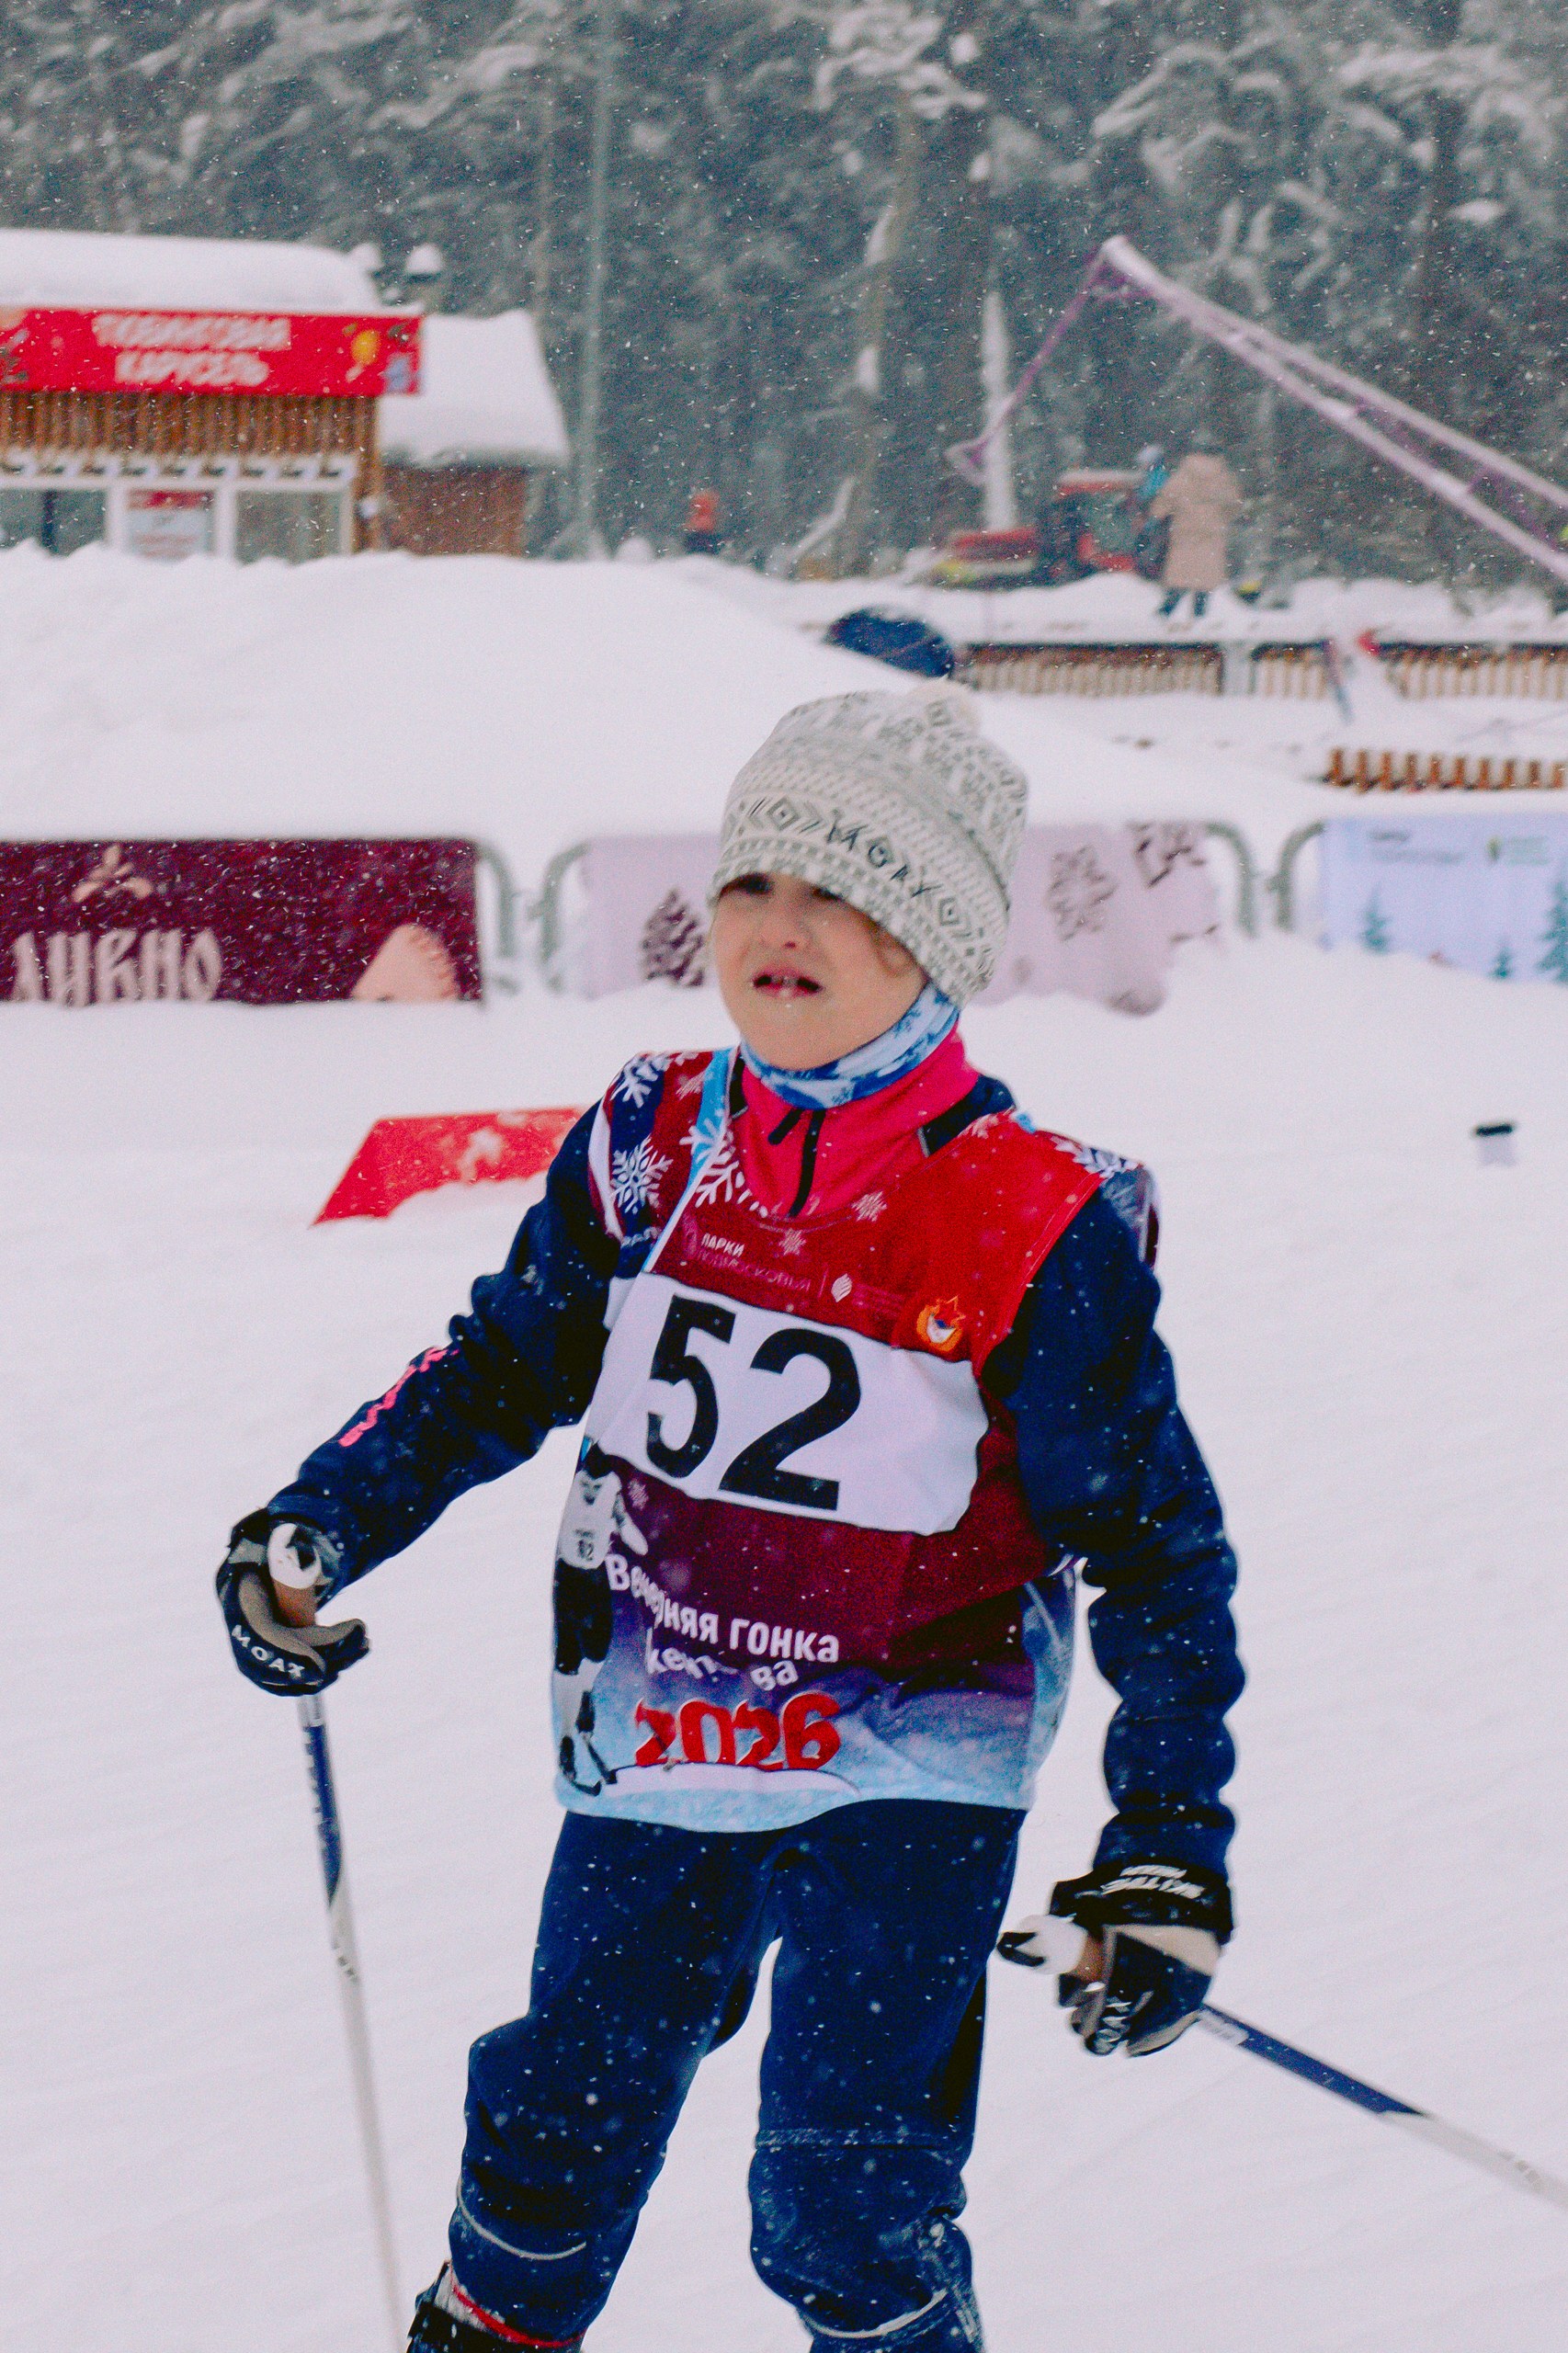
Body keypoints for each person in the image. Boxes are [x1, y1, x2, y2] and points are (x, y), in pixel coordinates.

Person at [217, 688, 1244, 2353]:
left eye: (844, 890)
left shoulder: (1034, 1218)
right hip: (664, 1743)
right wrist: (323, 1519)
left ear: (935, 935)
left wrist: (1165, 1846)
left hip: (910, 1771)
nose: (780, 926)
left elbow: (1155, 1556)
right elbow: (501, 1364)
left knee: (841, 2191)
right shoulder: (653, 1136)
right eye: (757, 880)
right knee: (556, 2129)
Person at [1150, 436, 1243, 621]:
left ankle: (1165, 611)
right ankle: (1199, 616)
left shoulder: (1183, 475)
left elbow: (1164, 501)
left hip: (1185, 533)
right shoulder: (1224, 477)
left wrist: (1157, 515)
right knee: (1204, 577)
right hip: (1212, 534)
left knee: (1181, 575)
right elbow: (1234, 505)